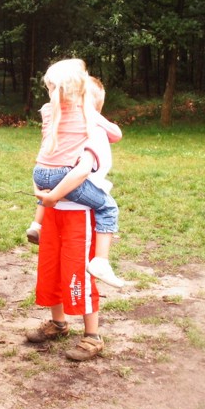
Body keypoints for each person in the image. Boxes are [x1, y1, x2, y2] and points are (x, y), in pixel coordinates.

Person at [27, 75, 125, 287]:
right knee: (108, 207)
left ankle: (36, 224)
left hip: (40, 173)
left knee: (49, 180)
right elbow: (115, 135)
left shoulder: (54, 118)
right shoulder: (89, 119)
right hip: (67, 186)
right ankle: (101, 261)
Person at [25, 148, 104, 361]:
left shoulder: (91, 134)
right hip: (53, 212)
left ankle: (92, 336)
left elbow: (81, 172)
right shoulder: (55, 134)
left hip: (79, 214)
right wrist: (41, 200)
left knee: (78, 272)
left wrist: (53, 195)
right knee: (51, 269)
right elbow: (40, 169)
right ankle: (58, 324)